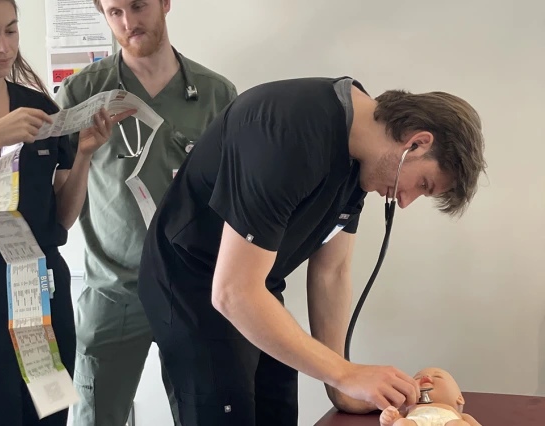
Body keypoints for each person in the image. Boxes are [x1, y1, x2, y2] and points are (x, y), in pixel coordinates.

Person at [137, 76, 487, 425]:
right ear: (417, 143)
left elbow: (331, 272)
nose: (405, 200)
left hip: (257, 284)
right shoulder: (287, 133)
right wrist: (346, 374)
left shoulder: (361, 155)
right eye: (423, 185)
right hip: (191, 282)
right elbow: (233, 293)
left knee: (278, 410)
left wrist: (340, 385)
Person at [55, 0, 237, 424]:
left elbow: (233, 195)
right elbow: (59, 197)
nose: (129, 23)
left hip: (194, 290)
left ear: (165, 4)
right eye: (115, 11)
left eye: (138, 6)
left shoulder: (217, 94)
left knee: (207, 415)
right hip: (113, 290)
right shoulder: (83, 93)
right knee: (95, 417)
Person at [0, 1, 132, 425]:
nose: (3, 47)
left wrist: (83, 157)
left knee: (45, 413)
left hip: (37, 292)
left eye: (11, 30)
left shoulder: (37, 105)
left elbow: (61, 219)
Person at [380, 367, 482, 426]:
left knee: (459, 424)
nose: (426, 377)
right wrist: (389, 417)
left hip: (448, 423)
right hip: (415, 423)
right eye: (417, 378)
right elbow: (392, 422)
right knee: (402, 423)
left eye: (438, 376)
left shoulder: (463, 417)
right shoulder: (407, 413)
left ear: (459, 398)